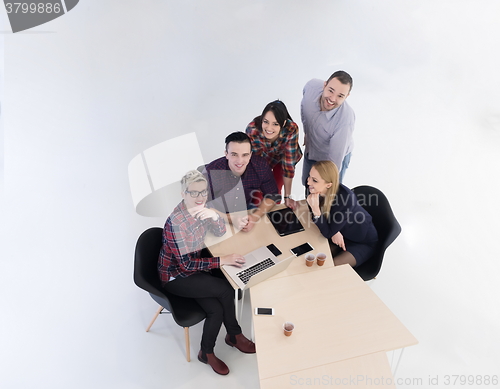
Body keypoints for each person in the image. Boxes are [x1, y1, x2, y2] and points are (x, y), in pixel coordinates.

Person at [158, 170, 255, 376]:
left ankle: (207, 351)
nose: (200, 197)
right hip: (176, 276)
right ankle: (234, 335)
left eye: (203, 192)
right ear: (183, 193)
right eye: (194, 193)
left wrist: (213, 216)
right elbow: (185, 266)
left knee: (216, 311)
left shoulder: (203, 207)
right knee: (226, 289)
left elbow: (219, 232)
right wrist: (221, 260)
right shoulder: (176, 224)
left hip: (196, 268)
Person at [202, 132, 281, 232]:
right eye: (234, 155)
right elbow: (200, 207)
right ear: (226, 154)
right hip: (218, 216)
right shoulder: (210, 172)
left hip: (246, 211)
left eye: (245, 155)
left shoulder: (260, 166)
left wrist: (255, 217)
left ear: (250, 155)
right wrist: (231, 219)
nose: (240, 161)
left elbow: (272, 195)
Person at [306, 161, 378, 267]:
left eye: (314, 180)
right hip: (340, 233)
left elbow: (327, 231)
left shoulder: (347, 200)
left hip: (362, 241)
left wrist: (316, 210)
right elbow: (327, 228)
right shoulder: (315, 187)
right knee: (313, 257)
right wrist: (335, 231)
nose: (308, 182)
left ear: (328, 185)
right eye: (309, 176)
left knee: (331, 268)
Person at [245, 100, 303, 210]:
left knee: (275, 190)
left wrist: (287, 196)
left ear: (284, 123)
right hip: (262, 158)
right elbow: (256, 164)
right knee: (258, 194)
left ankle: (275, 215)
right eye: (266, 122)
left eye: (275, 124)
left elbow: (288, 167)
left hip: (283, 159)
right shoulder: (253, 130)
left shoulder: (291, 129)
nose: (269, 128)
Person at [301, 70, 355, 186]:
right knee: (307, 183)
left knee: (328, 193)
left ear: (346, 96)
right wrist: (307, 132)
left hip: (332, 158)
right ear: (324, 85)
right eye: (331, 91)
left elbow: (333, 164)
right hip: (312, 148)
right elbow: (304, 107)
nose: (332, 99)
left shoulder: (345, 121)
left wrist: (323, 186)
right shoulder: (311, 87)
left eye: (340, 96)